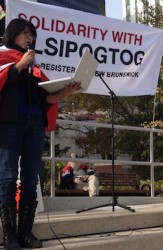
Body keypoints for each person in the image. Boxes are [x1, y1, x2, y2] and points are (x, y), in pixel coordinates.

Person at [0, 18, 81, 249]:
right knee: (6, 178)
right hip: (8, 124)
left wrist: (63, 93)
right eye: (26, 33)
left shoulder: (35, 66)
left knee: (29, 178)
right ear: (13, 33)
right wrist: (19, 66)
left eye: (32, 34)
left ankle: (26, 233)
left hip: (34, 123)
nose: (30, 38)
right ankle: (10, 236)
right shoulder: (3, 57)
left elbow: (45, 98)